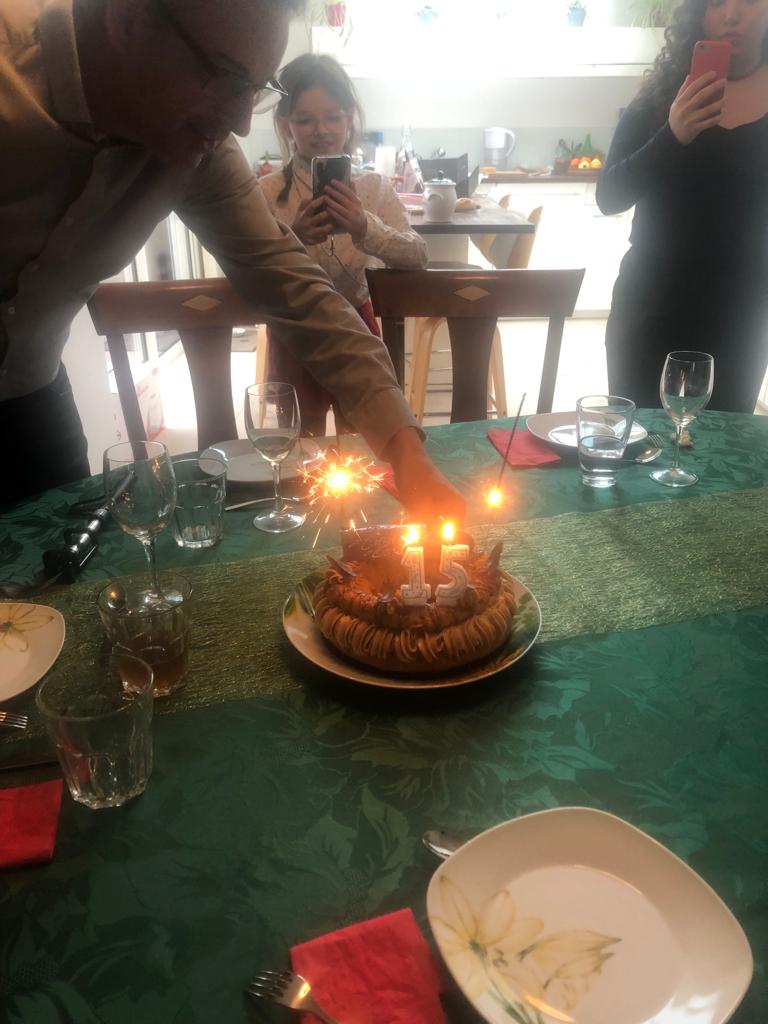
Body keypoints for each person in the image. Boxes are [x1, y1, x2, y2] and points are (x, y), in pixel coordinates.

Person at [0, 0, 462, 522]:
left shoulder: (204, 147)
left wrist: (405, 451)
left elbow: (294, 286)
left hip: (35, 396)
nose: (240, 124)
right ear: (126, 19)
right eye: (224, 75)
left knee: (56, 566)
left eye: (256, 90)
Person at [597, 0, 768, 413]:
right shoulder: (664, 92)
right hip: (651, 306)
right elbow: (609, 196)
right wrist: (673, 134)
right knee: (641, 444)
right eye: (715, 2)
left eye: (747, 0)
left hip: (742, 315)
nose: (731, 14)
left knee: (724, 449)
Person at [259, 54, 428, 437]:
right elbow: (253, 274)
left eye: (332, 117)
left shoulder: (373, 188)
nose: (320, 130)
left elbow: (418, 254)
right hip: (295, 329)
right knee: (303, 446)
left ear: (349, 118)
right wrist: (295, 238)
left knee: (363, 442)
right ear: (286, 124)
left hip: (356, 324)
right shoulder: (268, 192)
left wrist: (365, 226)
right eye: (305, 119)